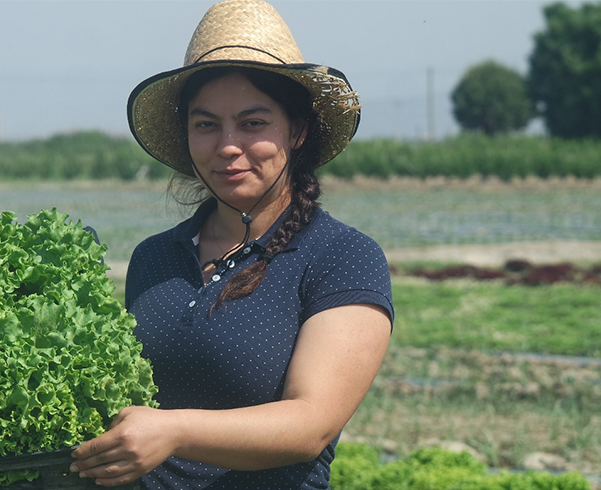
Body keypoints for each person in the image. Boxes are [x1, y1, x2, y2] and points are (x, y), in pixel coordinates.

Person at [71, 0, 394, 488]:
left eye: (253, 123)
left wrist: (175, 431)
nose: (227, 145)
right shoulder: (153, 258)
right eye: (206, 125)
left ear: (298, 130)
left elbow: (311, 424)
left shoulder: (341, 257)